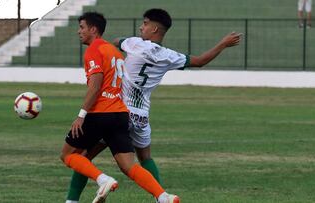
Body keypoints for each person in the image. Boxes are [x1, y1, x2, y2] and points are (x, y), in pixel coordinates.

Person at [65, 8, 241, 203]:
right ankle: (161, 198)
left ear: (154, 28)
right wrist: (223, 44)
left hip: (118, 111)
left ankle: (74, 198)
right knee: (145, 158)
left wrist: (107, 48)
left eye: (145, 23)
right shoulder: (169, 56)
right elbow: (200, 61)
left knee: (82, 156)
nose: (142, 26)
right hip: (141, 116)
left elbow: (115, 42)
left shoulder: (134, 44)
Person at [60, 11, 180, 203]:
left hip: (100, 112)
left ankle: (102, 180)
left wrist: (82, 115)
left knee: (69, 155)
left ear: (93, 29)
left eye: (81, 27)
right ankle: (163, 197)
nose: (78, 32)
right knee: (129, 165)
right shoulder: (114, 51)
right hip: (120, 114)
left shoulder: (94, 50)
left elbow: (96, 84)